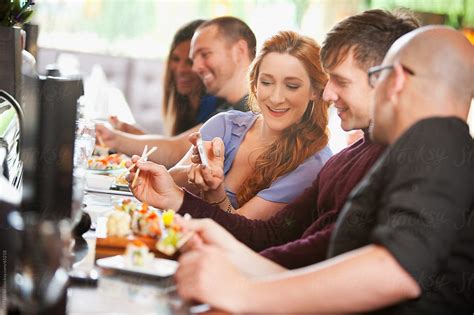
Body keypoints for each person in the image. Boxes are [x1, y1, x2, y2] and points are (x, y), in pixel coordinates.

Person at [173, 26, 474, 313]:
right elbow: (295, 253)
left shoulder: (438, 134)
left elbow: (396, 271)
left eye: (375, 78)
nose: (328, 95)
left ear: (394, 80)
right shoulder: (411, 152)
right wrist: (217, 238)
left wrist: (243, 293)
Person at [126, 9, 418, 257]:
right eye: (267, 82)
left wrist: (241, 281)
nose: (329, 94)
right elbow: (269, 239)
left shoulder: (327, 165)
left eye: (292, 86)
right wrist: (174, 194)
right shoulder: (348, 159)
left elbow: (296, 259)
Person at [164, 31, 332, 220]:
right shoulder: (224, 125)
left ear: (315, 92)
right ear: (255, 84)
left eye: (292, 86)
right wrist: (197, 170)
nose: (276, 98)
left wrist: (215, 190)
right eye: (266, 82)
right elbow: (168, 183)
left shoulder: (311, 166)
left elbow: (243, 232)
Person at [96, 17, 256, 168]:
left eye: (205, 54)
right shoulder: (228, 109)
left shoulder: (251, 113)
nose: (195, 67)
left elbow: (178, 152)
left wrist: (113, 138)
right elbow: (179, 150)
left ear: (239, 51)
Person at [108, 19, 222, 137]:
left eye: (190, 61)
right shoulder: (186, 105)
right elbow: (176, 150)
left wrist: (130, 139)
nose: (180, 69)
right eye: (176, 59)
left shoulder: (214, 106)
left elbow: (182, 152)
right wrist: (137, 137)